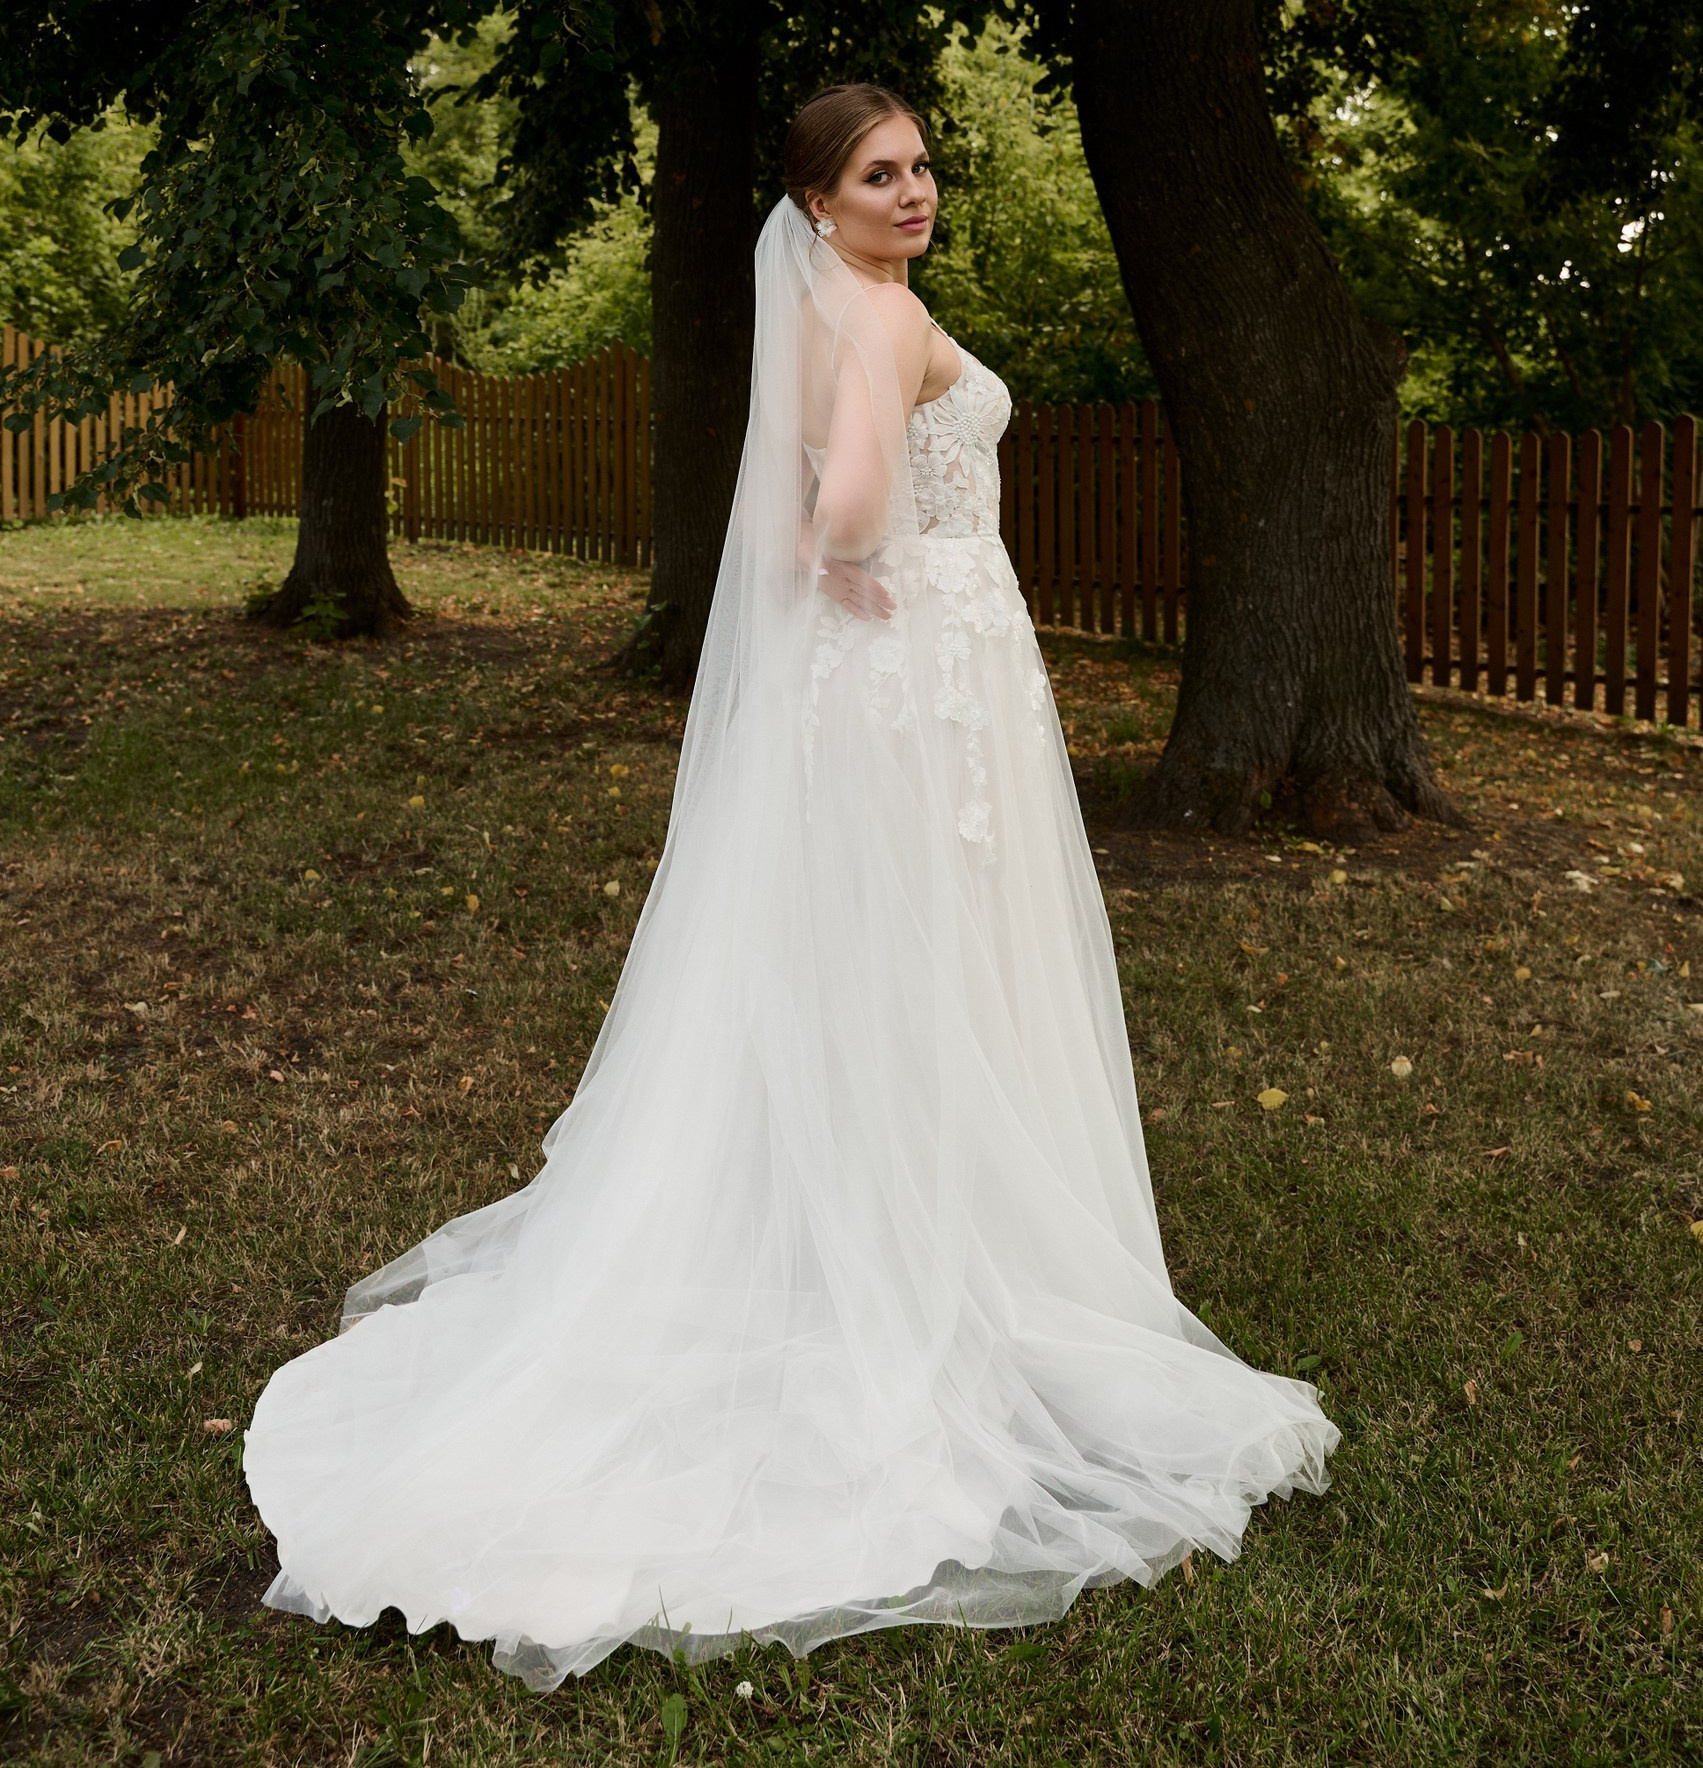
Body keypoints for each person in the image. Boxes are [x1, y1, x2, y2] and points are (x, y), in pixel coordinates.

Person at [243, 83, 1337, 1687]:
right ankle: (939, 1277)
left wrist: (829, 560)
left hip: (874, 688)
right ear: (818, 204)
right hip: (927, 682)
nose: (915, 192)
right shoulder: (879, 319)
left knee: (870, 975)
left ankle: (879, 1242)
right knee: (938, 975)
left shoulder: (831, 312)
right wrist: (856, 550)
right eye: (879, 175)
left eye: (923, 166)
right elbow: (857, 503)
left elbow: (794, 516)